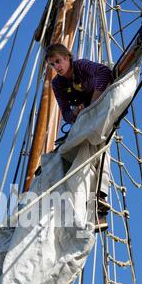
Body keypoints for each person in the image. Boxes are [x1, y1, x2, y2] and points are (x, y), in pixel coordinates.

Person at [45, 43, 113, 231]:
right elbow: (64, 112)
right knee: (79, 162)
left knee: (100, 149)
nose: (57, 67)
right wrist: (75, 113)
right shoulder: (57, 84)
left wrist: (93, 103)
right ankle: (88, 207)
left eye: (58, 61)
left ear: (67, 57)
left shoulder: (82, 66)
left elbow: (105, 73)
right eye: (52, 64)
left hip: (99, 113)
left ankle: (100, 199)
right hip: (83, 122)